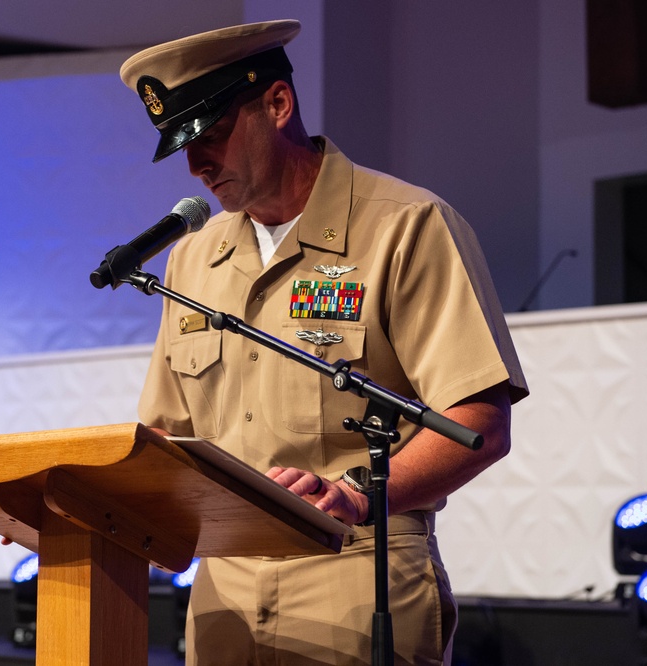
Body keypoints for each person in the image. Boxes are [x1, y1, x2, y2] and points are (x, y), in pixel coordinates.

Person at [120, 19, 528, 666]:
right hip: (221, 595)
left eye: (212, 134)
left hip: (355, 576)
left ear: (277, 104)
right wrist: (67, 507)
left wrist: (362, 493)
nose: (197, 165)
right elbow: (166, 438)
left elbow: (479, 420)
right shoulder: (191, 260)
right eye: (181, 146)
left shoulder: (405, 227)